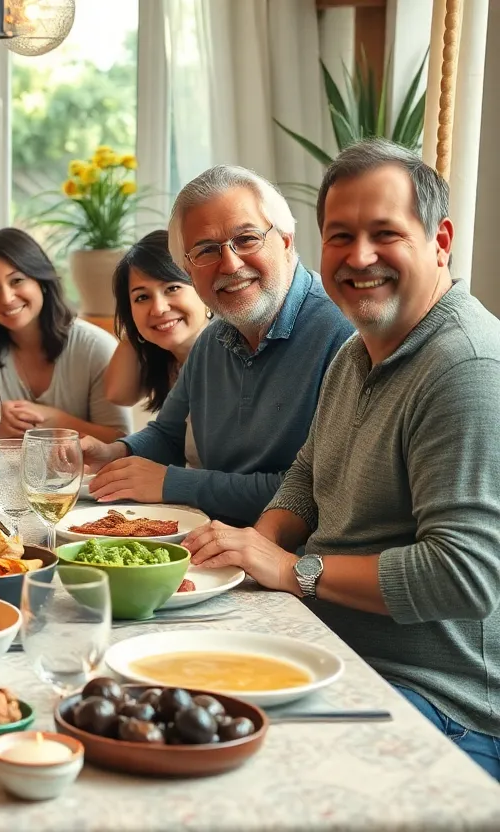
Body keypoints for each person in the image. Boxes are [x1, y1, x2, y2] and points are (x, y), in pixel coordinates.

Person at [184, 140, 500, 779]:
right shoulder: (359, 352)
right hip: (335, 653)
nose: (360, 257)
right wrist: (250, 548)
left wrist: (294, 570)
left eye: (385, 233)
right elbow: (307, 476)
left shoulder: (465, 366)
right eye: (341, 236)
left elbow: (463, 575)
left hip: (438, 703)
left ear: (439, 239)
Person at [80, 165, 355, 525]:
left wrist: (174, 483)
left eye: (247, 239)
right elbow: (168, 435)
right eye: (206, 250)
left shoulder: (343, 334)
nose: (230, 263)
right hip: (213, 537)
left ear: (287, 240)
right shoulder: (213, 339)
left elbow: (317, 492)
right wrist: (113, 452)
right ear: (188, 269)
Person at [0, 228, 133, 441]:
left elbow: (121, 442)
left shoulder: (96, 346)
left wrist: (56, 421)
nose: (6, 298)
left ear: (41, 281)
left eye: (16, 280)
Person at [103, 229, 211, 466]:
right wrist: (138, 326)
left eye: (172, 288)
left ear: (203, 288)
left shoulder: (231, 353)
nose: (159, 308)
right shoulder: (170, 361)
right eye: (142, 297)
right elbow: (118, 393)